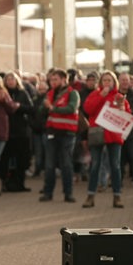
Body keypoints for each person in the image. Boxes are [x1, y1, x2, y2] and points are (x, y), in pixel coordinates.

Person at [82, 70, 130, 208]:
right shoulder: (95, 94)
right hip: (97, 133)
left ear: (114, 82)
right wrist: (100, 96)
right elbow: (88, 109)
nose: (107, 83)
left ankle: (117, 197)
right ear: (101, 82)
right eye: (105, 80)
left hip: (113, 135)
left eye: (109, 80)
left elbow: (127, 115)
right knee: (95, 165)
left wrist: (122, 109)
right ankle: (90, 196)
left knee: (115, 166)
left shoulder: (119, 96)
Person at [39, 69, 80, 203]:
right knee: (49, 165)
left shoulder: (72, 93)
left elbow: (71, 108)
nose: (52, 82)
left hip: (67, 134)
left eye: (55, 79)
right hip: (52, 133)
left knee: (66, 164)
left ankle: (68, 193)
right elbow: (41, 110)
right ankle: (48, 192)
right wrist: (45, 107)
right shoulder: (50, 93)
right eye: (51, 80)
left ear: (64, 80)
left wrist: (52, 108)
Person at [0, 72, 34, 192]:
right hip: (6, 130)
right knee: (5, 159)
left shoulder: (23, 93)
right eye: (8, 79)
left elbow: (31, 108)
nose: (10, 81)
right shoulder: (2, 93)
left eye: (12, 79)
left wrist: (19, 107)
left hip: (21, 131)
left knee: (22, 159)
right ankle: (4, 183)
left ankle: (20, 183)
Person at [118, 72, 133, 188]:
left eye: (126, 80)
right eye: (122, 80)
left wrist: (126, 112)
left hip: (132, 131)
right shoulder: (115, 94)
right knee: (120, 158)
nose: (125, 82)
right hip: (118, 131)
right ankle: (119, 180)